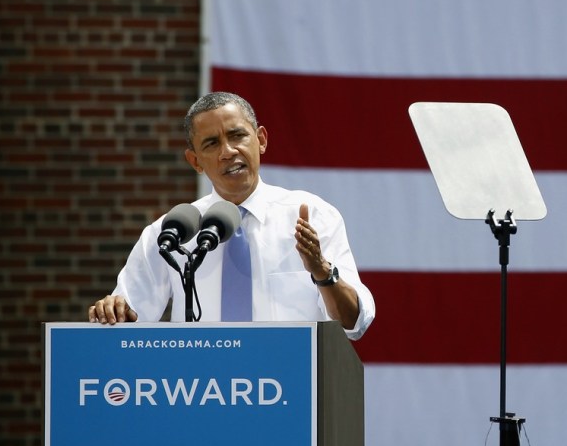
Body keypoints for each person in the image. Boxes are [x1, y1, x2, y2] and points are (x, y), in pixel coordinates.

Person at [88, 91, 375, 340]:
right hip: (200, 392)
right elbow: (126, 319)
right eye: (212, 144)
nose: (228, 151)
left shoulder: (311, 215)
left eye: (237, 135)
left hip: (293, 388)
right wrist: (112, 310)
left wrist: (322, 273)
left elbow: (353, 323)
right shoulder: (172, 232)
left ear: (261, 140)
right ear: (195, 161)